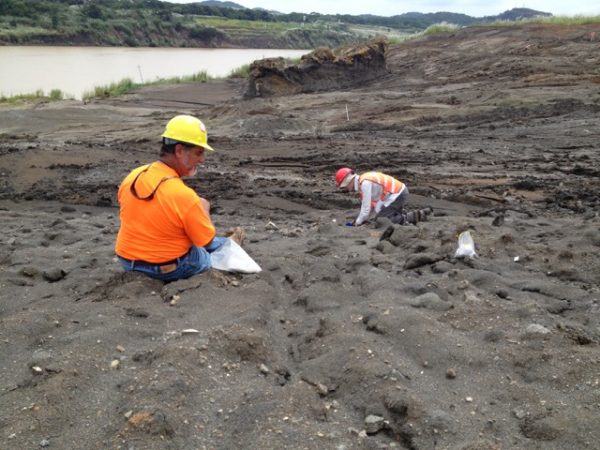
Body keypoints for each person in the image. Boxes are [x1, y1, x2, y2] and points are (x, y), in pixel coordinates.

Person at [115, 114, 243, 282]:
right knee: (206, 250)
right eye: (198, 153)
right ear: (179, 150)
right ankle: (230, 244)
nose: (202, 160)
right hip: (166, 269)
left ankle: (227, 242)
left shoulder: (134, 175)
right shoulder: (183, 195)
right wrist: (204, 208)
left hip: (126, 261)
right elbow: (205, 240)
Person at [335, 167, 431, 226]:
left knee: (383, 220)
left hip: (398, 194)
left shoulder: (365, 183)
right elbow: (373, 207)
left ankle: (413, 217)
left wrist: (357, 222)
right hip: (396, 194)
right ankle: (411, 214)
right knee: (382, 214)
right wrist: (362, 219)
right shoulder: (364, 180)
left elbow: (366, 209)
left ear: (348, 181)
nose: (347, 189)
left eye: (345, 186)